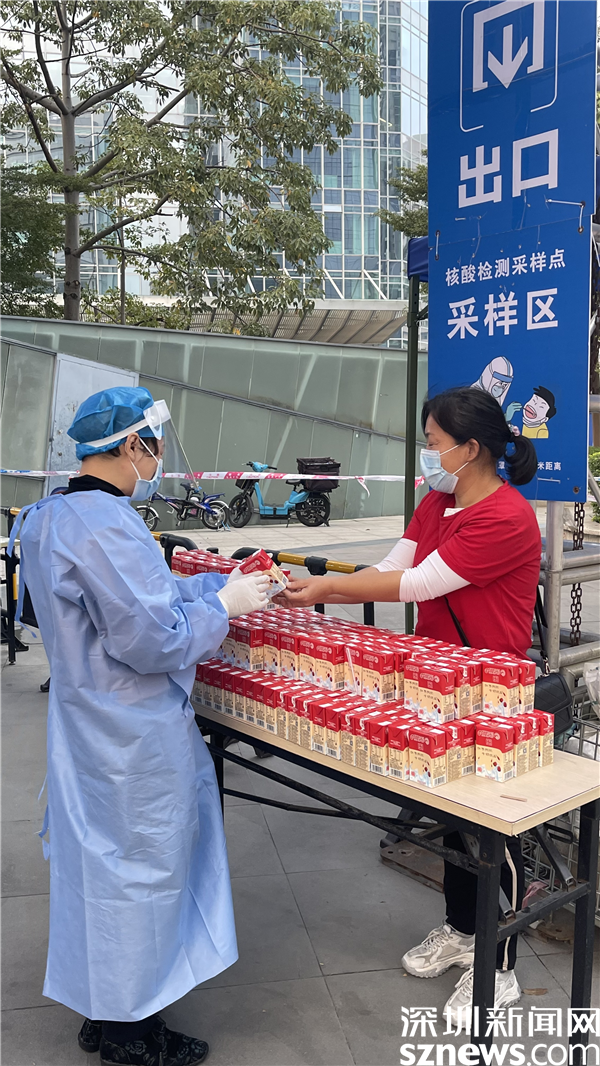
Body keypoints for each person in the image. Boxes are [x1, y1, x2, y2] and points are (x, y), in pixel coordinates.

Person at [9, 387, 271, 1066]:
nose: (157, 459)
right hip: (132, 734)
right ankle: (131, 1036)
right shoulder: (107, 525)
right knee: (140, 879)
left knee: (96, 874)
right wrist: (225, 609)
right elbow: (152, 639)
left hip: (86, 722)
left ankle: (104, 1010)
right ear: (132, 444)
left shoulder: (49, 515)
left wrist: (216, 587)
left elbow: (140, 598)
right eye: (152, 446)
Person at [282, 386, 541, 1024]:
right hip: (435, 686)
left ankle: (500, 965)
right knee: (452, 816)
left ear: (470, 449)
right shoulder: (436, 502)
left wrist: (324, 589)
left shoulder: (506, 518)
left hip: (492, 691)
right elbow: (391, 564)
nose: (427, 455)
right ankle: (462, 929)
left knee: (495, 828)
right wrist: (322, 588)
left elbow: (420, 583)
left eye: (433, 444)